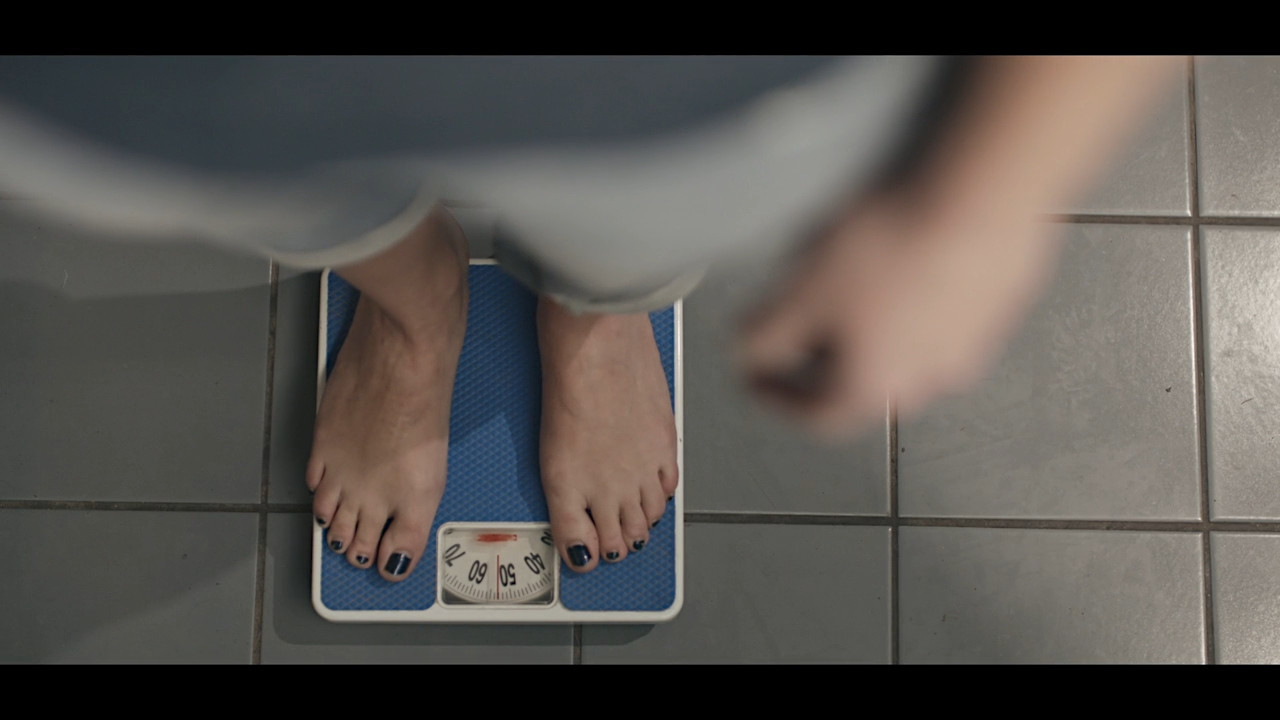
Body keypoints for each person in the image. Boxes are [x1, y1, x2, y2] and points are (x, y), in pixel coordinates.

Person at [0, 56, 1184, 581]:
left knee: (641, 223)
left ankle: (595, 321)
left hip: (684, 83)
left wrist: (974, 210)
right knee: (293, 193)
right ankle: (417, 318)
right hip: (148, 85)